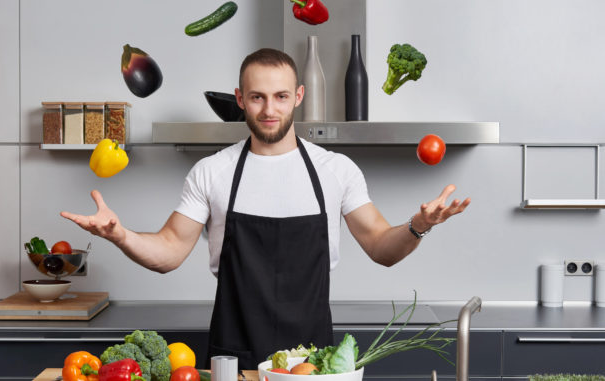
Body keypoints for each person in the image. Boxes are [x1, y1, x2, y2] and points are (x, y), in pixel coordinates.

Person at [61, 48, 470, 370]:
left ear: (298, 97)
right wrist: (120, 235)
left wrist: (418, 225)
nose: (269, 110)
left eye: (280, 97)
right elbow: (169, 251)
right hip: (233, 358)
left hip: (311, 363)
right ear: (241, 98)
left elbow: (382, 247)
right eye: (257, 97)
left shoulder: (335, 170)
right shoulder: (212, 172)